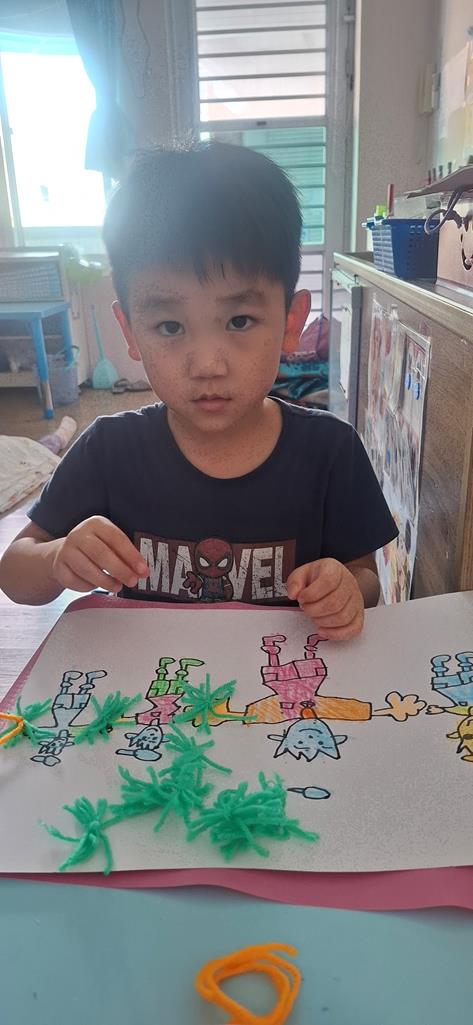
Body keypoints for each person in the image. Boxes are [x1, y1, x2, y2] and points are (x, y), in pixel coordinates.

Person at [0, 142, 397, 640]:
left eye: (239, 320)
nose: (207, 365)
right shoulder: (108, 450)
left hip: (280, 679)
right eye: (170, 326)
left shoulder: (331, 452)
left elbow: (365, 579)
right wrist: (58, 558)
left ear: (291, 321)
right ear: (130, 331)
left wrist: (344, 589)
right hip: (152, 682)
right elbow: (14, 571)